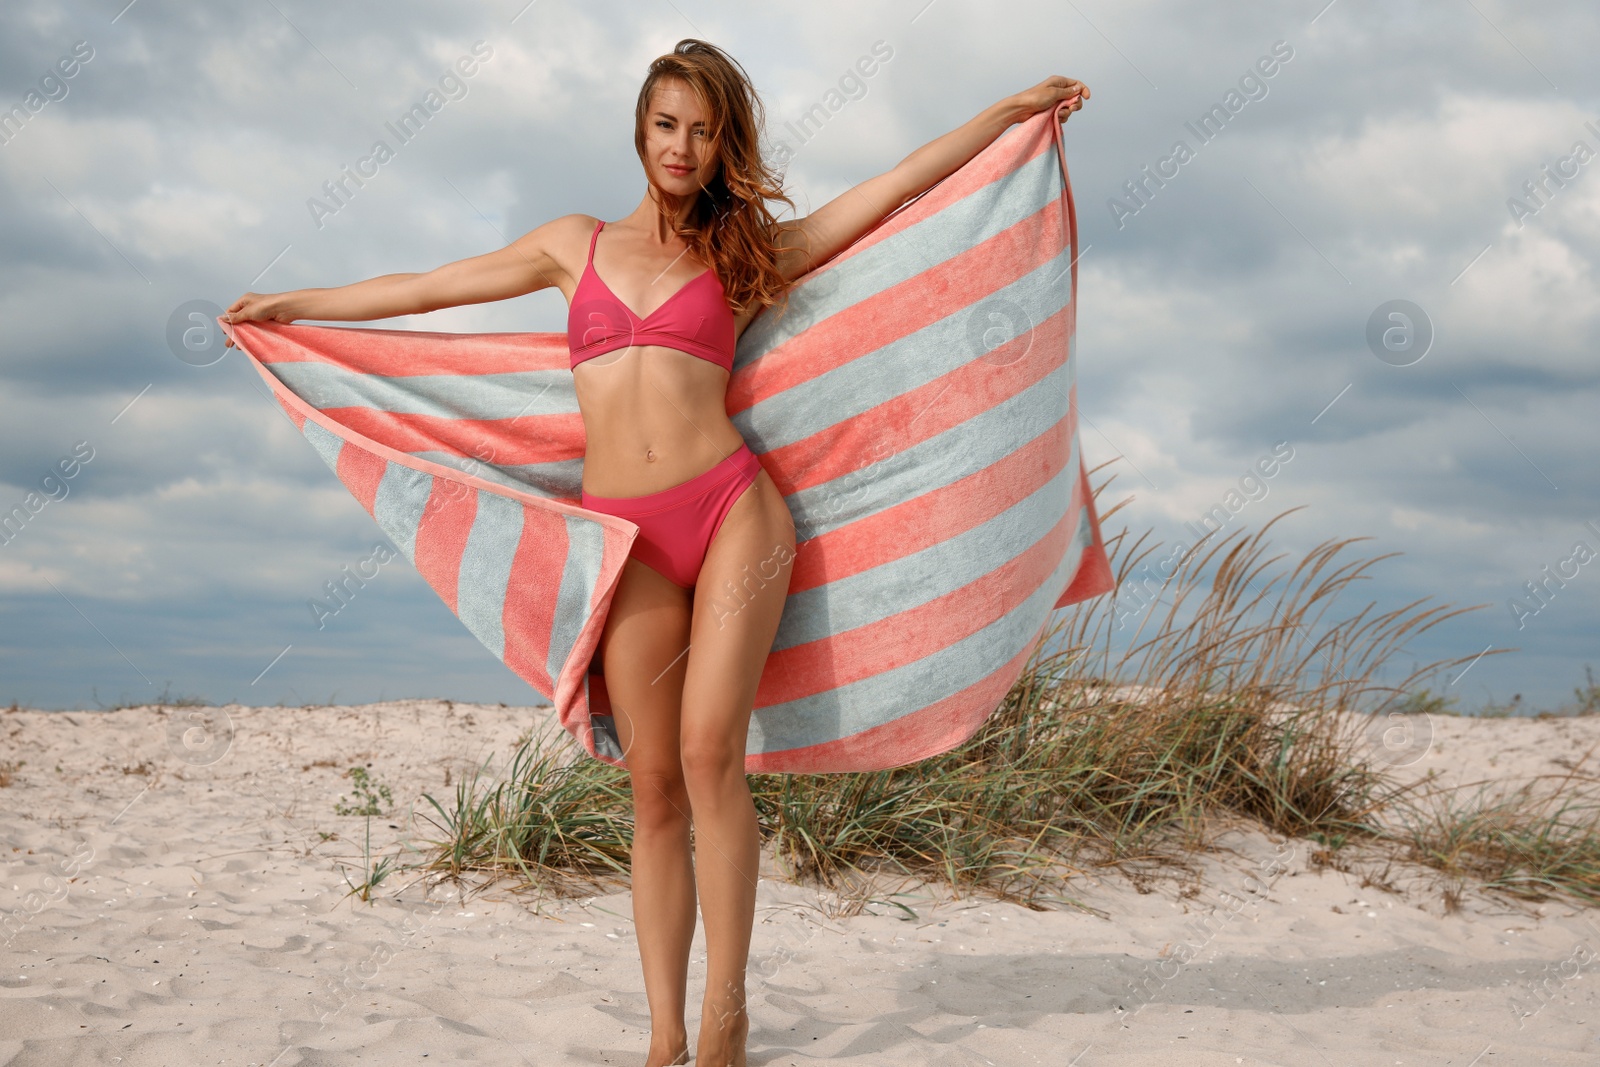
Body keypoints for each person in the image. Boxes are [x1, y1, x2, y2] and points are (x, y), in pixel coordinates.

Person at [226, 38, 1087, 1067]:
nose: (682, 146)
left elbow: (891, 190)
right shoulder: (571, 244)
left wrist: (1008, 113)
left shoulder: (745, 251)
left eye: (704, 128)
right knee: (653, 789)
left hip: (734, 513)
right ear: (640, 131)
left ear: (725, 143)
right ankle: (663, 1033)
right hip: (625, 539)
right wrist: (290, 305)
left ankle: (724, 1014)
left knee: (710, 753)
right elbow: (431, 287)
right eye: (666, 124)